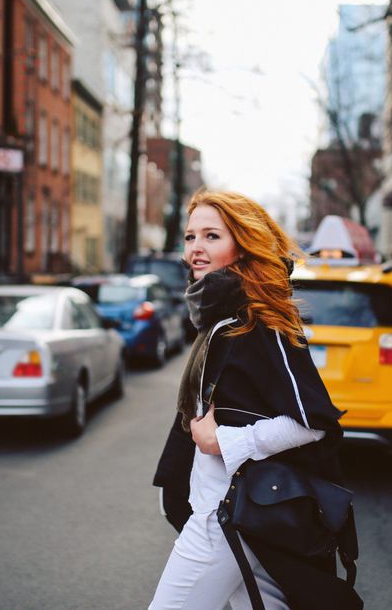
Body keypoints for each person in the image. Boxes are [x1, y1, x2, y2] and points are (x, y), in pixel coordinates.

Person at [149, 190, 360, 610]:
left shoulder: (255, 320)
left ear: (242, 245)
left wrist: (223, 442)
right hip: (232, 514)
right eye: (191, 237)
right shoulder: (220, 317)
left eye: (212, 236)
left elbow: (313, 420)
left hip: (227, 515)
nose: (196, 248)